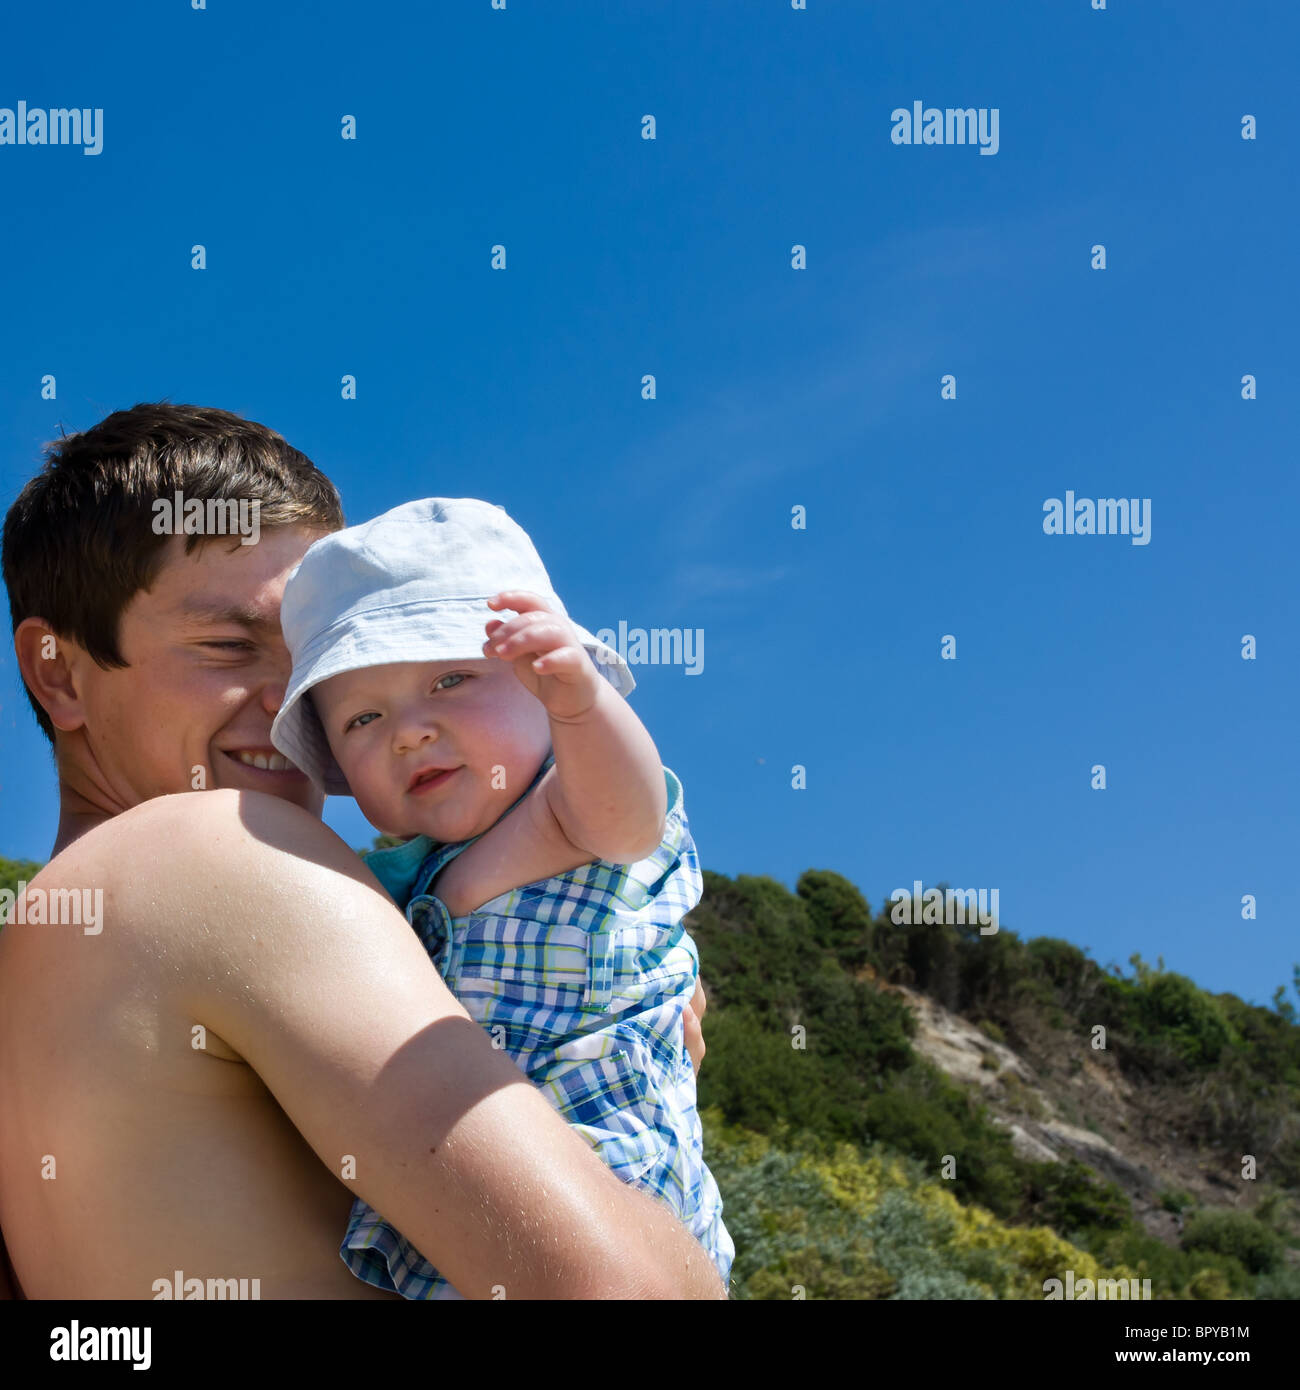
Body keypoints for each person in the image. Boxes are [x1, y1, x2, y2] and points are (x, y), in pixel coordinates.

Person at [0, 403, 724, 1300]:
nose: (286, 701)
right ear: (58, 673)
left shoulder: (37, 962)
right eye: (228, 645)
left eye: (318, 658)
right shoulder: (216, 851)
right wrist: (630, 1076)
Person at [268, 498, 734, 1298]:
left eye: (452, 678)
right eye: (363, 719)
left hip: (605, 1171)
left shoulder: (563, 805)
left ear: (540, 684)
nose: (409, 731)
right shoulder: (395, 883)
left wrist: (582, 706)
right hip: (467, 1190)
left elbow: (631, 818)